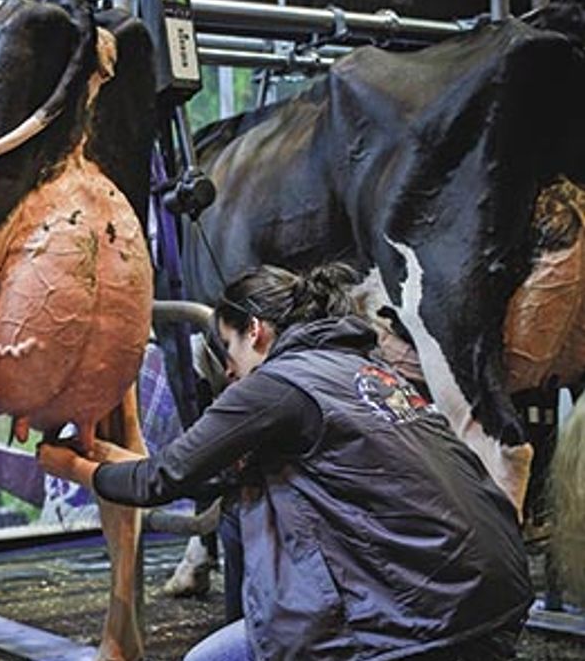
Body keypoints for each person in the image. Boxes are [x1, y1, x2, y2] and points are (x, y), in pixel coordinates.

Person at [39, 264, 532, 661]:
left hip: (414, 623)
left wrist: (69, 466)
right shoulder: (364, 368)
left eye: (228, 348)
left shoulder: (275, 385)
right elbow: (198, 470)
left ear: (255, 331)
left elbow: (161, 478)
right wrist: (102, 453)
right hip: (491, 599)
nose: (228, 369)